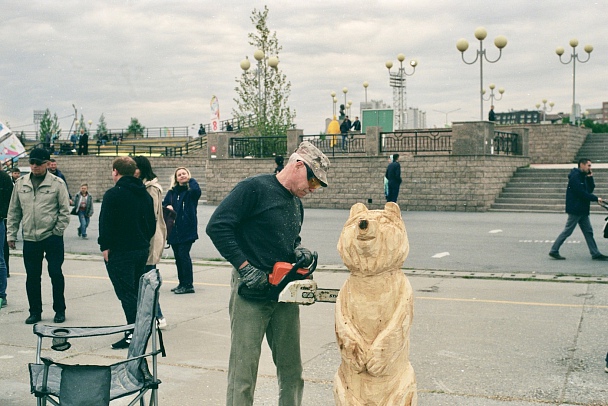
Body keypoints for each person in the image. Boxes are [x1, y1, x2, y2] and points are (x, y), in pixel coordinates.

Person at [206, 140, 330, 406]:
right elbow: (218, 226)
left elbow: (290, 238)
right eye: (313, 181)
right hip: (251, 293)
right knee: (244, 372)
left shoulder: (296, 203)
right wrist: (244, 267)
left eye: (318, 185)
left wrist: (298, 251)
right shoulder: (254, 189)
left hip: (284, 293)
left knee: (292, 371)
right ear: (298, 166)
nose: (313, 189)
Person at [7, 148, 70, 324]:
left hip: (52, 238)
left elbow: (65, 212)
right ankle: (35, 311)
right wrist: (11, 234)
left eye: (38, 163)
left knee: (56, 274)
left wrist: (56, 232)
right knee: (32, 277)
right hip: (30, 238)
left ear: (47, 164)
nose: (34, 166)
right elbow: (14, 211)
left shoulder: (57, 184)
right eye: (32, 163)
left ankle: (59, 310)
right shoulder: (21, 184)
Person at [98, 157, 155, 348]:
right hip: (140, 249)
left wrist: (105, 246)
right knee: (136, 291)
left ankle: (133, 332)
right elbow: (151, 225)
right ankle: (141, 327)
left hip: (120, 252)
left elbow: (105, 223)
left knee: (126, 293)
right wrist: (144, 241)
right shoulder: (144, 194)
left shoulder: (113, 194)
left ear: (115, 171)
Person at [549, 158, 608, 261]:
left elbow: (589, 189)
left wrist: (590, 178)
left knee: (588, 231)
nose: (590, 168)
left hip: (582, 209)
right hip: (576, 209)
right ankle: (554, 250)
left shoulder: (583, 176)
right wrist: (595, 198)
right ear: (582, 165)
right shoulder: (575, 177)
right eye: (588, 165)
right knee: (568, 231)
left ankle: (595, 253)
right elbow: (581, 193)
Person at [133, 155, 167, 328]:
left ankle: (158, 316)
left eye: (136, 167)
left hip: (150, 239)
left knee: (148, 280)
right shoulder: (143, 186)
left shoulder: (151, 188)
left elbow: (151, 215)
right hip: (145, 239)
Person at [163, 167, 201, 294]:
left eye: (184, 174)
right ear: (175, 178)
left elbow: (197, 190)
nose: (182, 176)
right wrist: (167, 206)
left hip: (187, 229)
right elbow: (164, 204)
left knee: (184, 255)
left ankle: (188, 284)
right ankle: (182, 283)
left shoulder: (191, 192)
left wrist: (191, 180)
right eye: (179, 174)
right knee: (178, 257)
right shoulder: (172, 192)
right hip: (174, 229)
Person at [0, 168, 13, 308]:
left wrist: (2, 215)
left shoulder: (4, 178)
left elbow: (10, 201)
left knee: (0, 259)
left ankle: (1, 294)